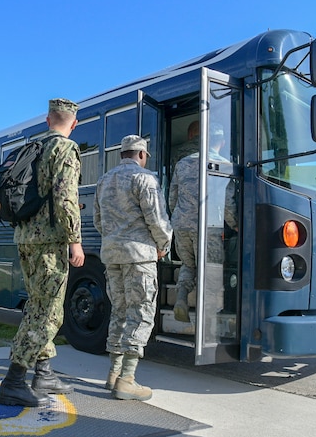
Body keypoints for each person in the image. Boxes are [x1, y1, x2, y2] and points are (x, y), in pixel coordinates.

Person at [0, 98, 85, 407]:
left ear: (48, 121)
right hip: (49, 241)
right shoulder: (65, 150)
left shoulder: (31, 148)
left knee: (40, 303)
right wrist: (75, 240)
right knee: (45, 311)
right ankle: (14, 379)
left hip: (25, 238)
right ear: (73, 124)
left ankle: (44, 372)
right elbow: (65, 198)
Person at [93, 135, 172, 401]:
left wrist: (113, 240)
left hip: (111, 255)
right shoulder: (145, 179)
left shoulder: (103, 181)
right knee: (141, 312)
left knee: (120, 310)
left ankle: (113, 374)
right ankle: (128, 379)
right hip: (139, 256)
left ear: (122, 154)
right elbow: (157, 219)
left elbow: (97, 220)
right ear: (141, 154)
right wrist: (164, 244)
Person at [169, 122, 236, 323]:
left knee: (188, 264)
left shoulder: (182, 163)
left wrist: (179, 218)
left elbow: (172, 198)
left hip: (181, 225)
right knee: (210, 269)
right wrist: (235, 224)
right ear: (222, 143)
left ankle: (181, 297)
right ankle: (206, 320)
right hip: (208, 226)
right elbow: (228, 203)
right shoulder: (224, 166)